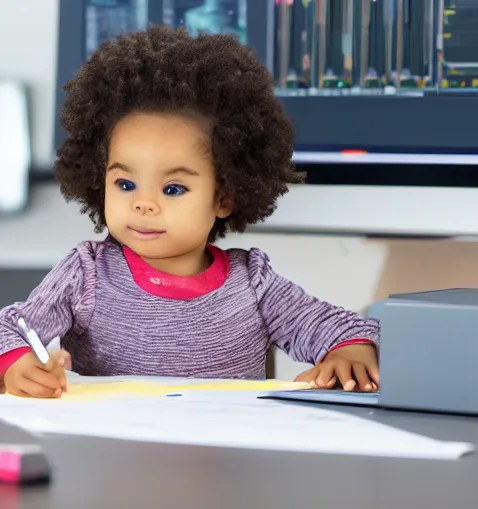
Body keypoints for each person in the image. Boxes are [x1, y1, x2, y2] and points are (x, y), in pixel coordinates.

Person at [0, 26, 380, 399]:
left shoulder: (254, 283)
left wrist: (349, 350)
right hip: (114, 453)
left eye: (172, 189)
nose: (143, 203)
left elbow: (337, 328)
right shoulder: (86, 274)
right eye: (125, 184)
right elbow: (8, 329)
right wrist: (17, 363)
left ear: (224, 197)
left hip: (225, 456)